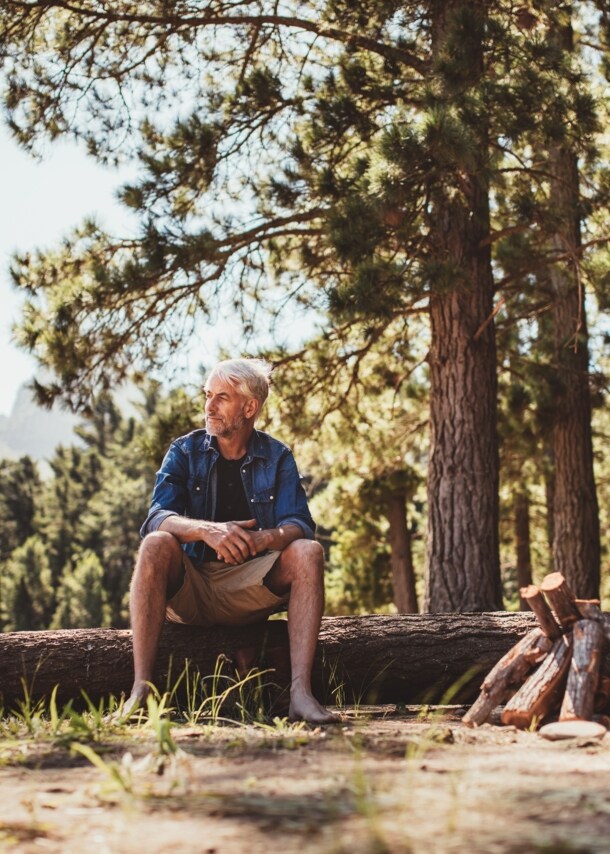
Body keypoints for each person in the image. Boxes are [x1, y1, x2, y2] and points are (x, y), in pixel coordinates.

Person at [126, 357, 337, 724]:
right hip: (190, 588)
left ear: (250, 407)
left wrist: (263, 539)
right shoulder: (184, 450)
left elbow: (300, 524)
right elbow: (156, 518)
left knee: (308, 552)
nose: (209, 406)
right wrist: (208, 530)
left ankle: (301, 693)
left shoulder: (277, 456)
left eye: (221, 397)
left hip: (248, 589)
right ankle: (140, 691)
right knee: (156, 544)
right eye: (207, 395)